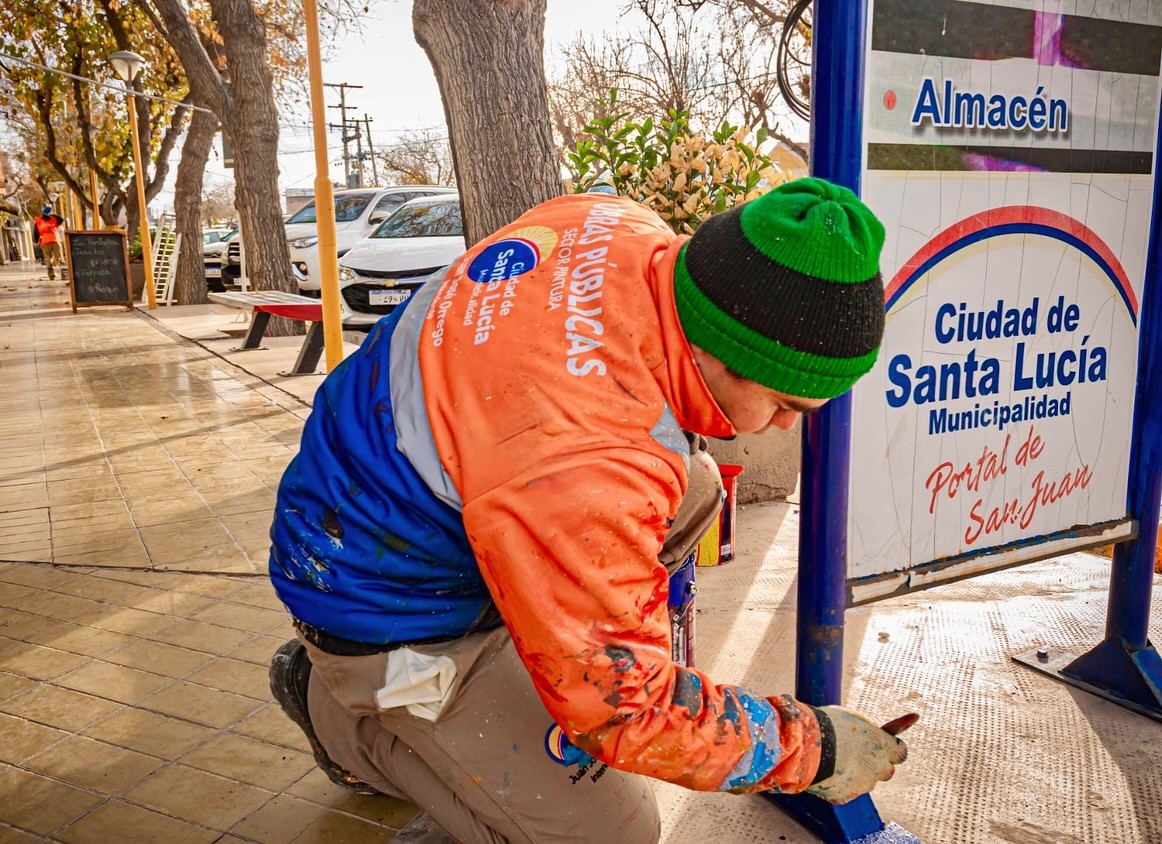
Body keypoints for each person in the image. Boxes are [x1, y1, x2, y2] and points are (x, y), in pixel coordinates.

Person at [267, 176, 907, 843]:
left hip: (402, 496)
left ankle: (513, 662)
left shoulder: (617, 223)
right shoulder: (590, 461)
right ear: (724, 352)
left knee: (695, 486)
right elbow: (626, 715)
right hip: (379, 599)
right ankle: (344, 713)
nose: (780, 428)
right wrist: (811, 748)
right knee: (608, 834)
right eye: (785, 405)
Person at [33, 205, 66, 280]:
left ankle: (51, 275)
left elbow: (36, 232)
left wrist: (36, 240)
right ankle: (64, 274)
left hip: (45, 241)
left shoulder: (38, 221)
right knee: (59, 257)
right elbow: (61, 219)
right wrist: (53, 214)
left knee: (48, 259)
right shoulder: (53, 219)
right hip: (55, 240)